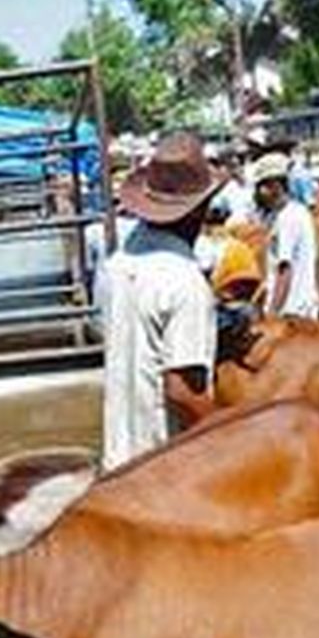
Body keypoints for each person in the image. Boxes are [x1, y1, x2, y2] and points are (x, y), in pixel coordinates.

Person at [100, 131, 224, 471]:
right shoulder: (185, 281)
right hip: (162, 464)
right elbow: (182, 392)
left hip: (118, 456)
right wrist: (234, 438)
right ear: (200, 209)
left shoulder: (116, 265)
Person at [251, 152, 319, 318]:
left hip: (290, 310)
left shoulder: (287, 219)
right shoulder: (297, 212)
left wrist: (274, 312)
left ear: (276, 185)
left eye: (263, 186)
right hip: (301, 304)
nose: (259, 192)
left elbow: (285, 269)